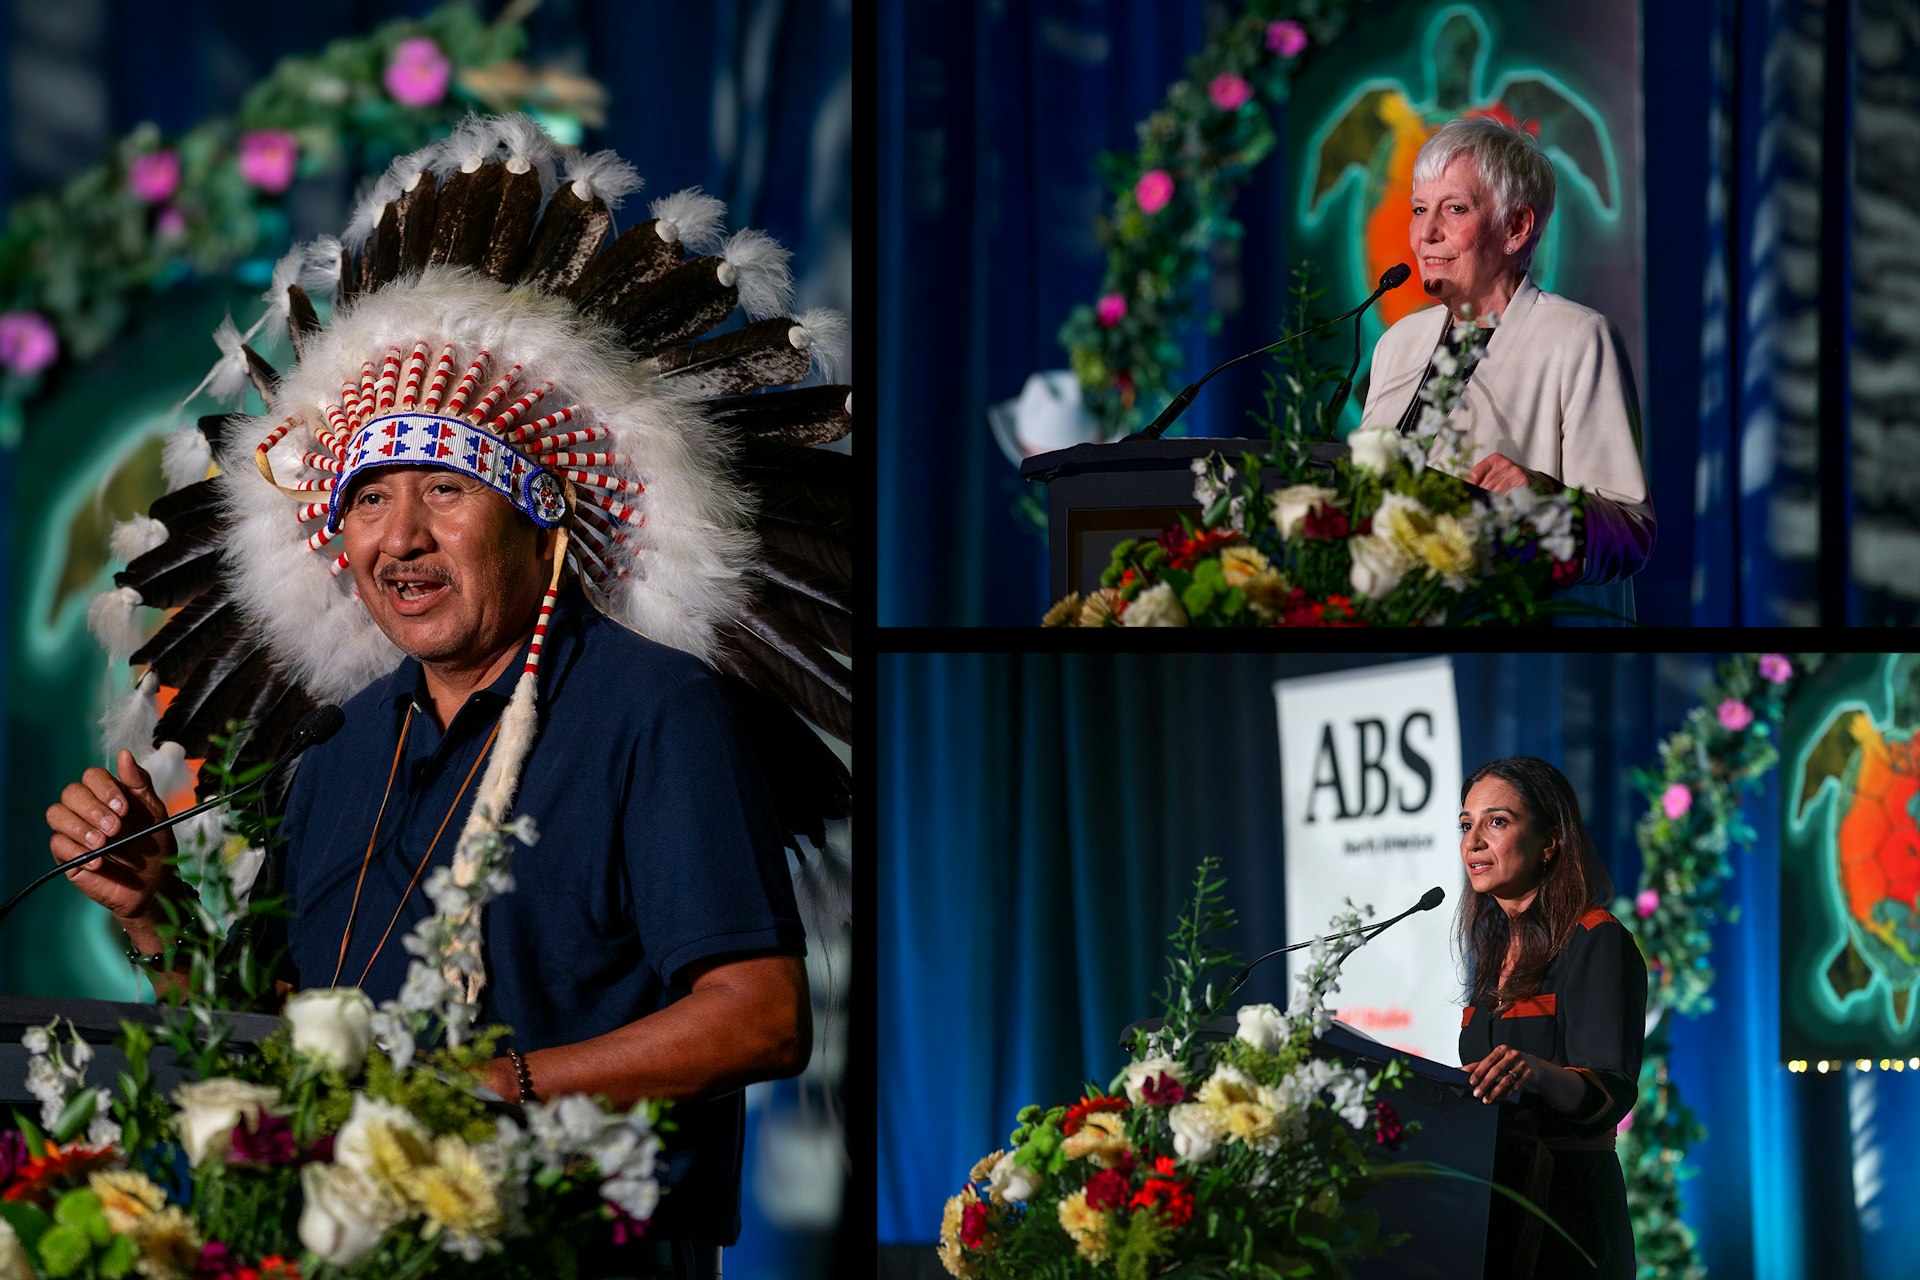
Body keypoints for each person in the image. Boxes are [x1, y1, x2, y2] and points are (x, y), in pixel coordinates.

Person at [42, 115, 852, 1280]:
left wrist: (498, 1090)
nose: (401, 536)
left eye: (445, 487)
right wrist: (151, 910)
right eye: (367, 500)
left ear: (538, 519)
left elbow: (760, 1013)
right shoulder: (338, 747)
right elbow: (286, 1038)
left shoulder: (656, 711)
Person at [1358, 116, 1654, 623]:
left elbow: (1631, 535)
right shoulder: (1396, 345)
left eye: (1455, 209)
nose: (1426, 233)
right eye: (1419, 210)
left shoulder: (1577, 338)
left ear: (1516, 227)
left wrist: (1541, 499)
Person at [1455, 756, 1645, 1280]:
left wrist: (1535, 1071)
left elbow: (1611, 1090)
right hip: (1495, 1209)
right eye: (1466, 825)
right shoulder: (1492, 953)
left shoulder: (1597, 940)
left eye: (1497, 821)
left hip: (1570, 1214)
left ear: (1549, 841)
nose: (1473, 842)